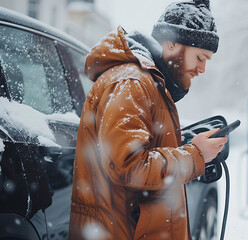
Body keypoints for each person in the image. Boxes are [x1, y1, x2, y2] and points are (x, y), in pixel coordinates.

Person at [68, 0, 226, 239]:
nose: (202, 69)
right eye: (199, 57)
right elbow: (128, 165)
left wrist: (189, 146)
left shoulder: (150, 85)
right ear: (173, 44)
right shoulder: (132, 83)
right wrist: (195, 155)